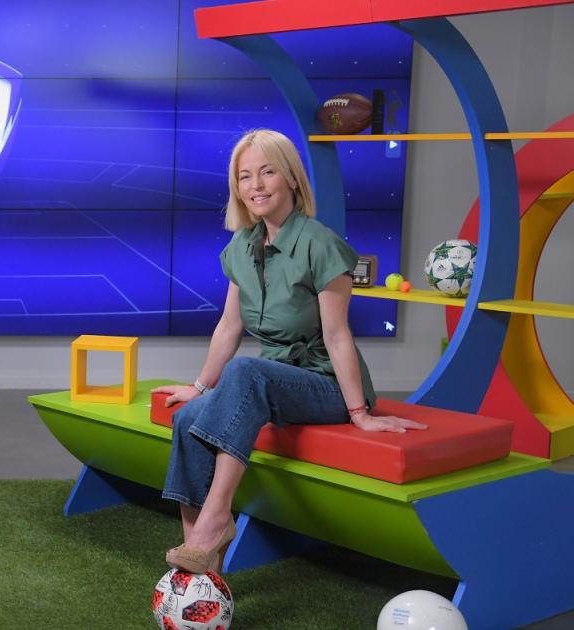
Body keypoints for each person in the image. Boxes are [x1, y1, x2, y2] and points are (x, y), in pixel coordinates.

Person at [152, 129, 427, 575]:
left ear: (292, 179)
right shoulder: (242, 246)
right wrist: (199, 387)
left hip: (327, 385)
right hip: (272, 381)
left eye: (267, 172)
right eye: (245, 176)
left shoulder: (321, 244)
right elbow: (229, 325)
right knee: (189, 418)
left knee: (246, 372)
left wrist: (359, 413)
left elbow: (337, 335)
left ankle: (216, 520)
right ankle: (200, 563)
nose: (255, 185)